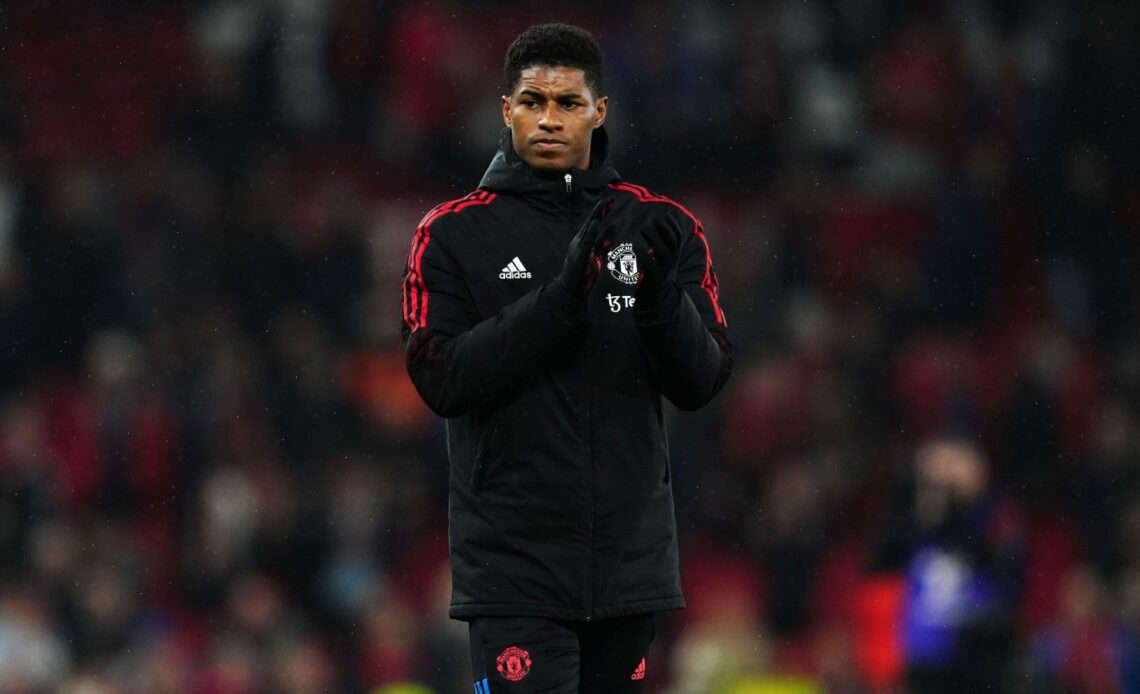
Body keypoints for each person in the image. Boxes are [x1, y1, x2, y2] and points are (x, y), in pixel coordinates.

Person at [401, 23, 732, 693]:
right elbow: (441, 378)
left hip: (628, 574)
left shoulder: (661, 226)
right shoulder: (454, 232)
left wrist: (658, 295)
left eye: (569, 102)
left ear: (600, 110)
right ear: (506, 109)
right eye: (533, 101)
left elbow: (701, 381)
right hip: (515, 573)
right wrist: (560, 300)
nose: (549, 119)